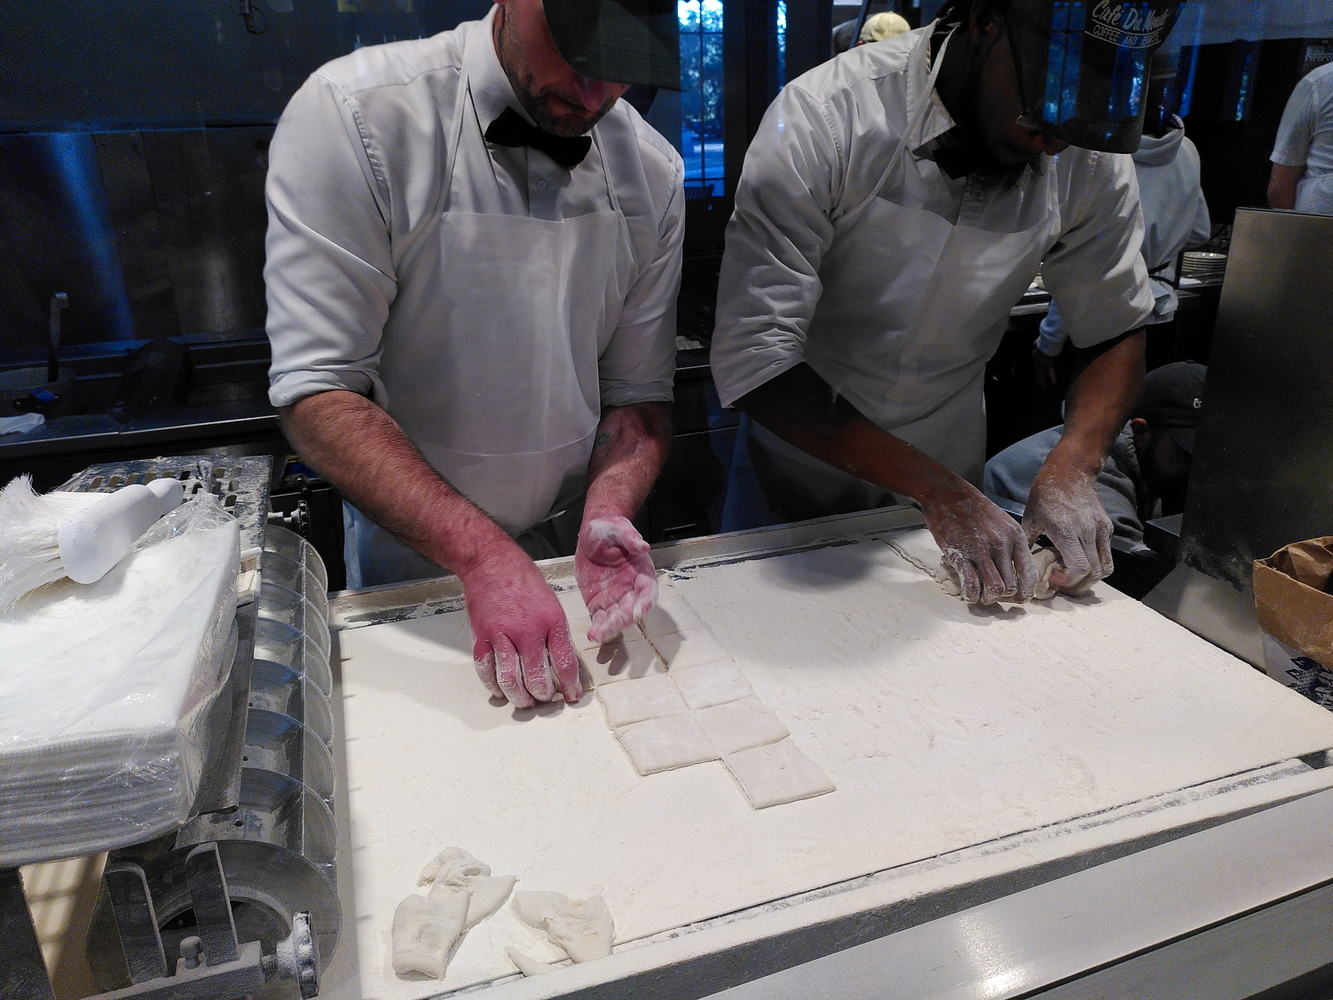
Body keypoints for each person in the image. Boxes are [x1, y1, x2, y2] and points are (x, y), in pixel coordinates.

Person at [264, 0, 685, 708]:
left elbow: (637, 393)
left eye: (623, 74)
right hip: (418, 561)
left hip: (567, 545)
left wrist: (609, 506)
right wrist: (483, 557)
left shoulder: (651, 170)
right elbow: (319, 391)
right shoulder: (356, 115)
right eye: (579, 56)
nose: (594, 96)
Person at [711, 0, 1179, 606]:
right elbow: (756, 356)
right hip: (797, 459)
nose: (1059, 144)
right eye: (1048, 94)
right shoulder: (826, 116)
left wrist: (1075, 463)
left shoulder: (1086, 154)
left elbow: (1113, 327)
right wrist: (937, 491)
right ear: (985, 18)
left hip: (952, 468)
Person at [1033, 58, 1211, 384]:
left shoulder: (1101, 155)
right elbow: (1200, 231)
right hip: (1164, 311)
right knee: (1142, 421)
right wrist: (1160, 248)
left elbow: (1084, 266)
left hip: (1104, 325)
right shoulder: (1187, 149)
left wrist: (1048, 343)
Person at [985, 362, 1205, 553]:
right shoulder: (1092, 473)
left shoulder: (1150, 461)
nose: (1197, 468)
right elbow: (1126, 556)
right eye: (1186, 452)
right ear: (1139, 430)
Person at [1269, 61, 1333, 215]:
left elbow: (1281, 185)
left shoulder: (1320, 83)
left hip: (1316, 228)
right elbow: (1281, 186)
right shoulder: (1319, 84)